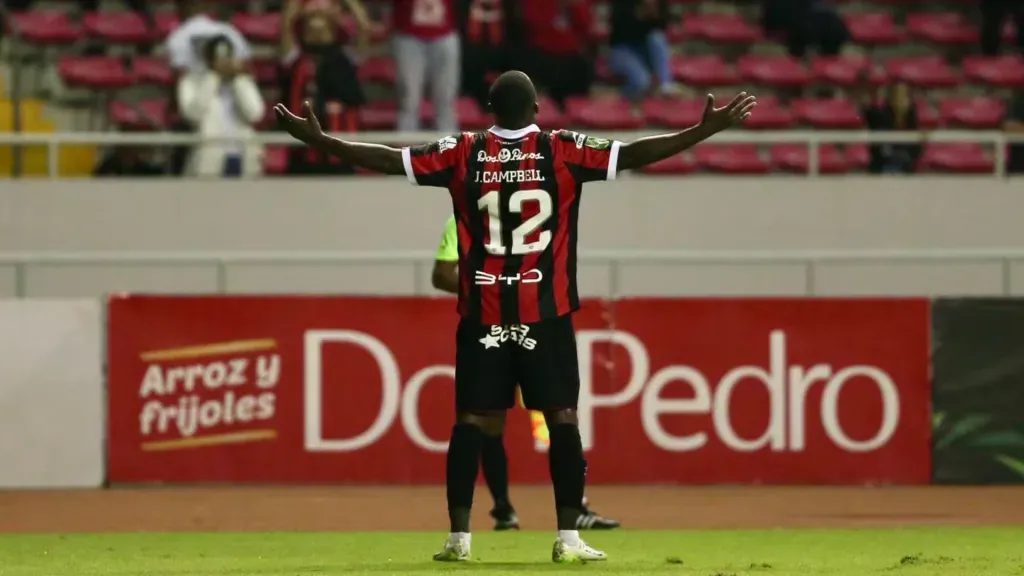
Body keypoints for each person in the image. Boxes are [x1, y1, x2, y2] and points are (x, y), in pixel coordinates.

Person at [274, 70, 755, 563]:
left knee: (470, 421)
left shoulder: (463, 150)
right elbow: (632, 154)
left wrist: (322, 140)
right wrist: (703, 131)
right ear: (537, 109)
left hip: (483, 313)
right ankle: (568, 538)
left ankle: (458, 539)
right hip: (546, 311)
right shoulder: (562, 148)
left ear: (488, 107)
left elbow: (388, 160)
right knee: (562, 417)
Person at [432, 215, 622, 531]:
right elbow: (442, 275)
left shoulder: (466, 208)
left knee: (508, 417)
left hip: (496, 324)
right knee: (546, 414)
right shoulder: (535, 199)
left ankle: (511, 515)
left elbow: (442, 274)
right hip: (532, 323)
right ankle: (511, 511)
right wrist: (504, 290)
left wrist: (489, 288)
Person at [280, 0, 370, 174]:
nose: (318, 22)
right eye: (312, 19)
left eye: (322, 18)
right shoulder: (294, 57)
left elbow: (364, 27)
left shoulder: (346, 56)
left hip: (340, 144)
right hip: (303, 149)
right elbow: (285, 24)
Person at [165, 0, 253, 175]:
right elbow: (191, 111)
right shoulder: (182, 41)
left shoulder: (229, 33)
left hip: (240, 147)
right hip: (205, 145)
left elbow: (255, 112)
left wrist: (236, 77)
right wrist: (212, 77)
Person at [178, 34, 265, 177]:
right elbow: (193, 115)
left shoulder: (243, 80)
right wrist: (213, 78)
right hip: (209, 158)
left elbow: (255, 114)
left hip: (242, 156)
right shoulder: (190, 82)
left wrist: (238, 82)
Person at [392, 0, 460, 132]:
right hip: (409, 35)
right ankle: (406, 146)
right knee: (409, 98)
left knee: (446, 97)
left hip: (444, 34)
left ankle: (449, 147)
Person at [520, 0, 595, 111]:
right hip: (543, 53)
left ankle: (578, 110)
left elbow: (585, 27)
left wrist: (574, 7)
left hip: (572, 55)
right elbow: (534, 24)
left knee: (582, 66)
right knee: (555, 69)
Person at [608, 0, 679, 102]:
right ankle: (623, 103)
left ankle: (666, 85)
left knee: (657, 38)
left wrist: (654, 14)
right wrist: (641, 15)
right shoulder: (622, 4)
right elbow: (619, 31)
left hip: (646, 49)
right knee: (641, 82)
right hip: (622, 49)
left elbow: (663, 25)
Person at [864, 80, 920, 175]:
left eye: (904, 96)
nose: (900, 100)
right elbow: (863, 116)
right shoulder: (878, 116)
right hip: (882, 168)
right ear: (890, 98)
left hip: (905, 170)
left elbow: (916, 152)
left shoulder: (912, 121)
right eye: (897, 96)